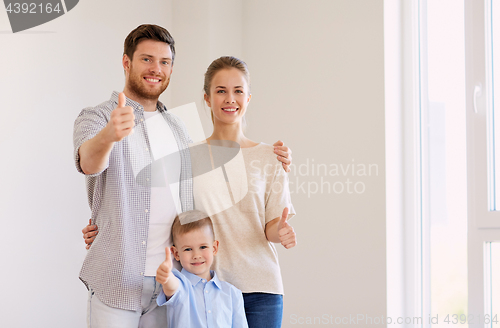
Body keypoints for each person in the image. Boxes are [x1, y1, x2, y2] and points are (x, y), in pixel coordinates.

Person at [74, 24, 292, 328]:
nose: (156, 69)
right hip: (117, 277)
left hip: (173, 282)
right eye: (146, 59)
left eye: (164, 62)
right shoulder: (97, 116)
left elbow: (190, 198)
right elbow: (88, 162)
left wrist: (276, 155)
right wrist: (109, 135)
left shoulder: (179, 128)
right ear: (127, 62)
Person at [155, 210, 248, 328]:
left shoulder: (232, 294)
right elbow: (171, 287)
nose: (196, 255)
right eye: (188, 249)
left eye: (203, 247)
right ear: (176, 253)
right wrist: (167, 277)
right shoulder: (180, 286)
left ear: (214, 248)